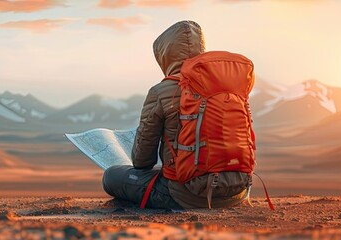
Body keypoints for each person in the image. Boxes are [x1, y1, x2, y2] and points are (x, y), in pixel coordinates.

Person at [102, 20, 252, 209]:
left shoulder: (162, 91)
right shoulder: (226, 87)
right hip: (237, 191)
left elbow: (142, 161)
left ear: (164, 56)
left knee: (111, 176)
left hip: (185, 195)